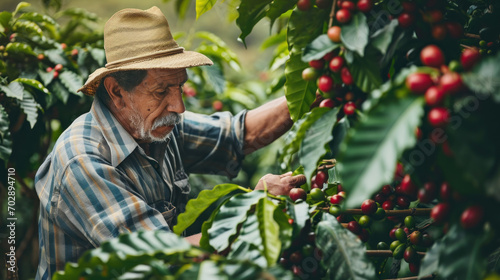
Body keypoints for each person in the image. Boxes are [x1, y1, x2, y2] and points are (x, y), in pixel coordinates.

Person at [34, 6, 305, 280]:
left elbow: (235, 135)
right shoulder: (84, 161)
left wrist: (308, 91)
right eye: (161, 90)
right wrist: (253, 210)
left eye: (179, 87)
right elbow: (161, 258)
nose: (179, 106)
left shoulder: (156, 125)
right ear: (117, 92)